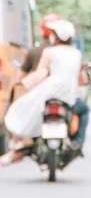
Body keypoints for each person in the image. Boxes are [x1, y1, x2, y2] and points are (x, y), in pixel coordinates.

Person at [1, 20, 82, 166]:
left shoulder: (49, 51)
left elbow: (41, 73)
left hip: (50, 89)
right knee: (84, 111)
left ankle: (20, 147)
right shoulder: (77, 53)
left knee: (23, 107)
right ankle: (78, 142)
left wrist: (24, 84)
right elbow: (79, 77)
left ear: (55, 36)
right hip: (69, 94)